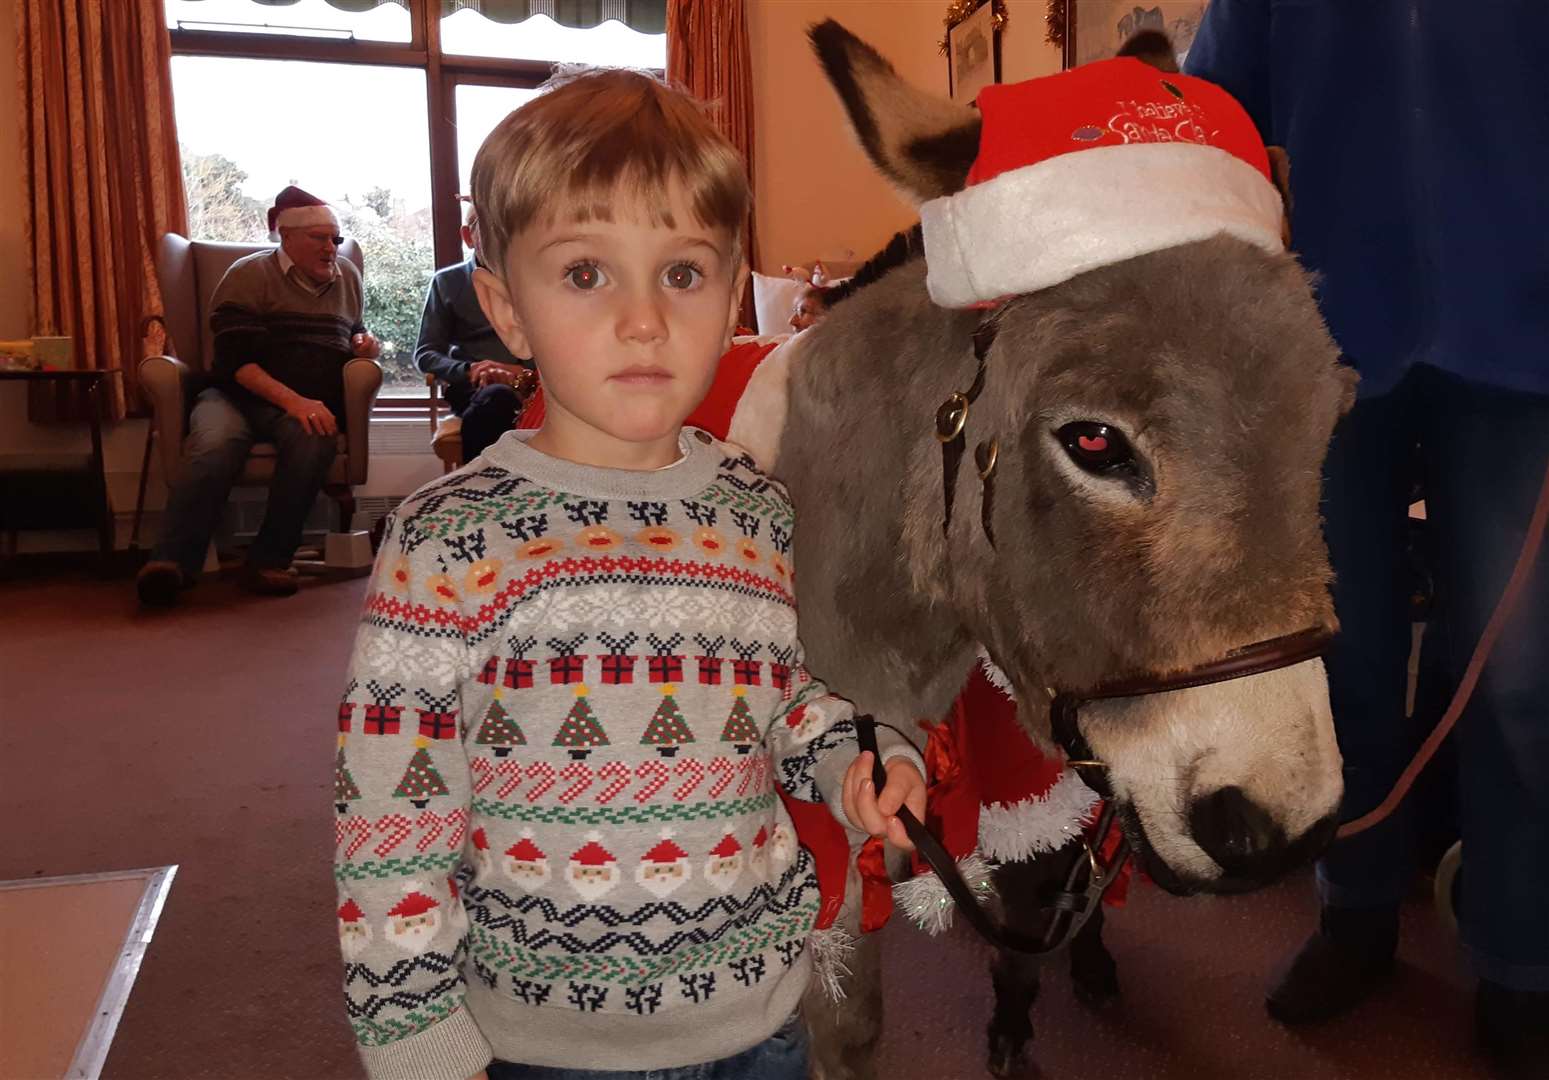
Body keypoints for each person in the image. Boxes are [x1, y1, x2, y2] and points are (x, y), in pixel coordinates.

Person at [332, 68, 927, 1080]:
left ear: (731, 287)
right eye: (584, 274)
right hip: (541, 1044)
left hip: (757, 1018)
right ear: (504, 309)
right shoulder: (447, 539)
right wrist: (412, 1036)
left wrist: (856, 762)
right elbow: (391, 813)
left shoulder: (755, 509)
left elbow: (783, 701)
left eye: (683, 274)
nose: (645, 319)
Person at [1187, 4, 1549, 1073]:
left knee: (1521, 678)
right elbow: (1204, 105)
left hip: (1524, 342)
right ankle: (1354, 911)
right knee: (1338, 649)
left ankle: (1522, 954)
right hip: (1330, 336)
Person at [136, 186, 380, 606]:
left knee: (315, 438)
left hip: (301, 402)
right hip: (235, 395)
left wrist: (363, 343)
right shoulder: (249, 275)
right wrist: (294, 402)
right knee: (215, 444)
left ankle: (269, 561)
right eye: (319, 239)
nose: (331, 249)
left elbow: (353, 327)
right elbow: (236, 362)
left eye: (335, 239)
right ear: (286, 236)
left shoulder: (347, 278)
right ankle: (172, 565)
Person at [415, 203, 534, 463]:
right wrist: (470, 369)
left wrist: (522, 374)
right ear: (468, 236)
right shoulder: (448, 282)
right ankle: (486, 493)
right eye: (490, 228)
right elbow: (425, 353)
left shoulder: (534, 280)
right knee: (495, 401)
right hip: (474, 388)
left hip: (531, 383)